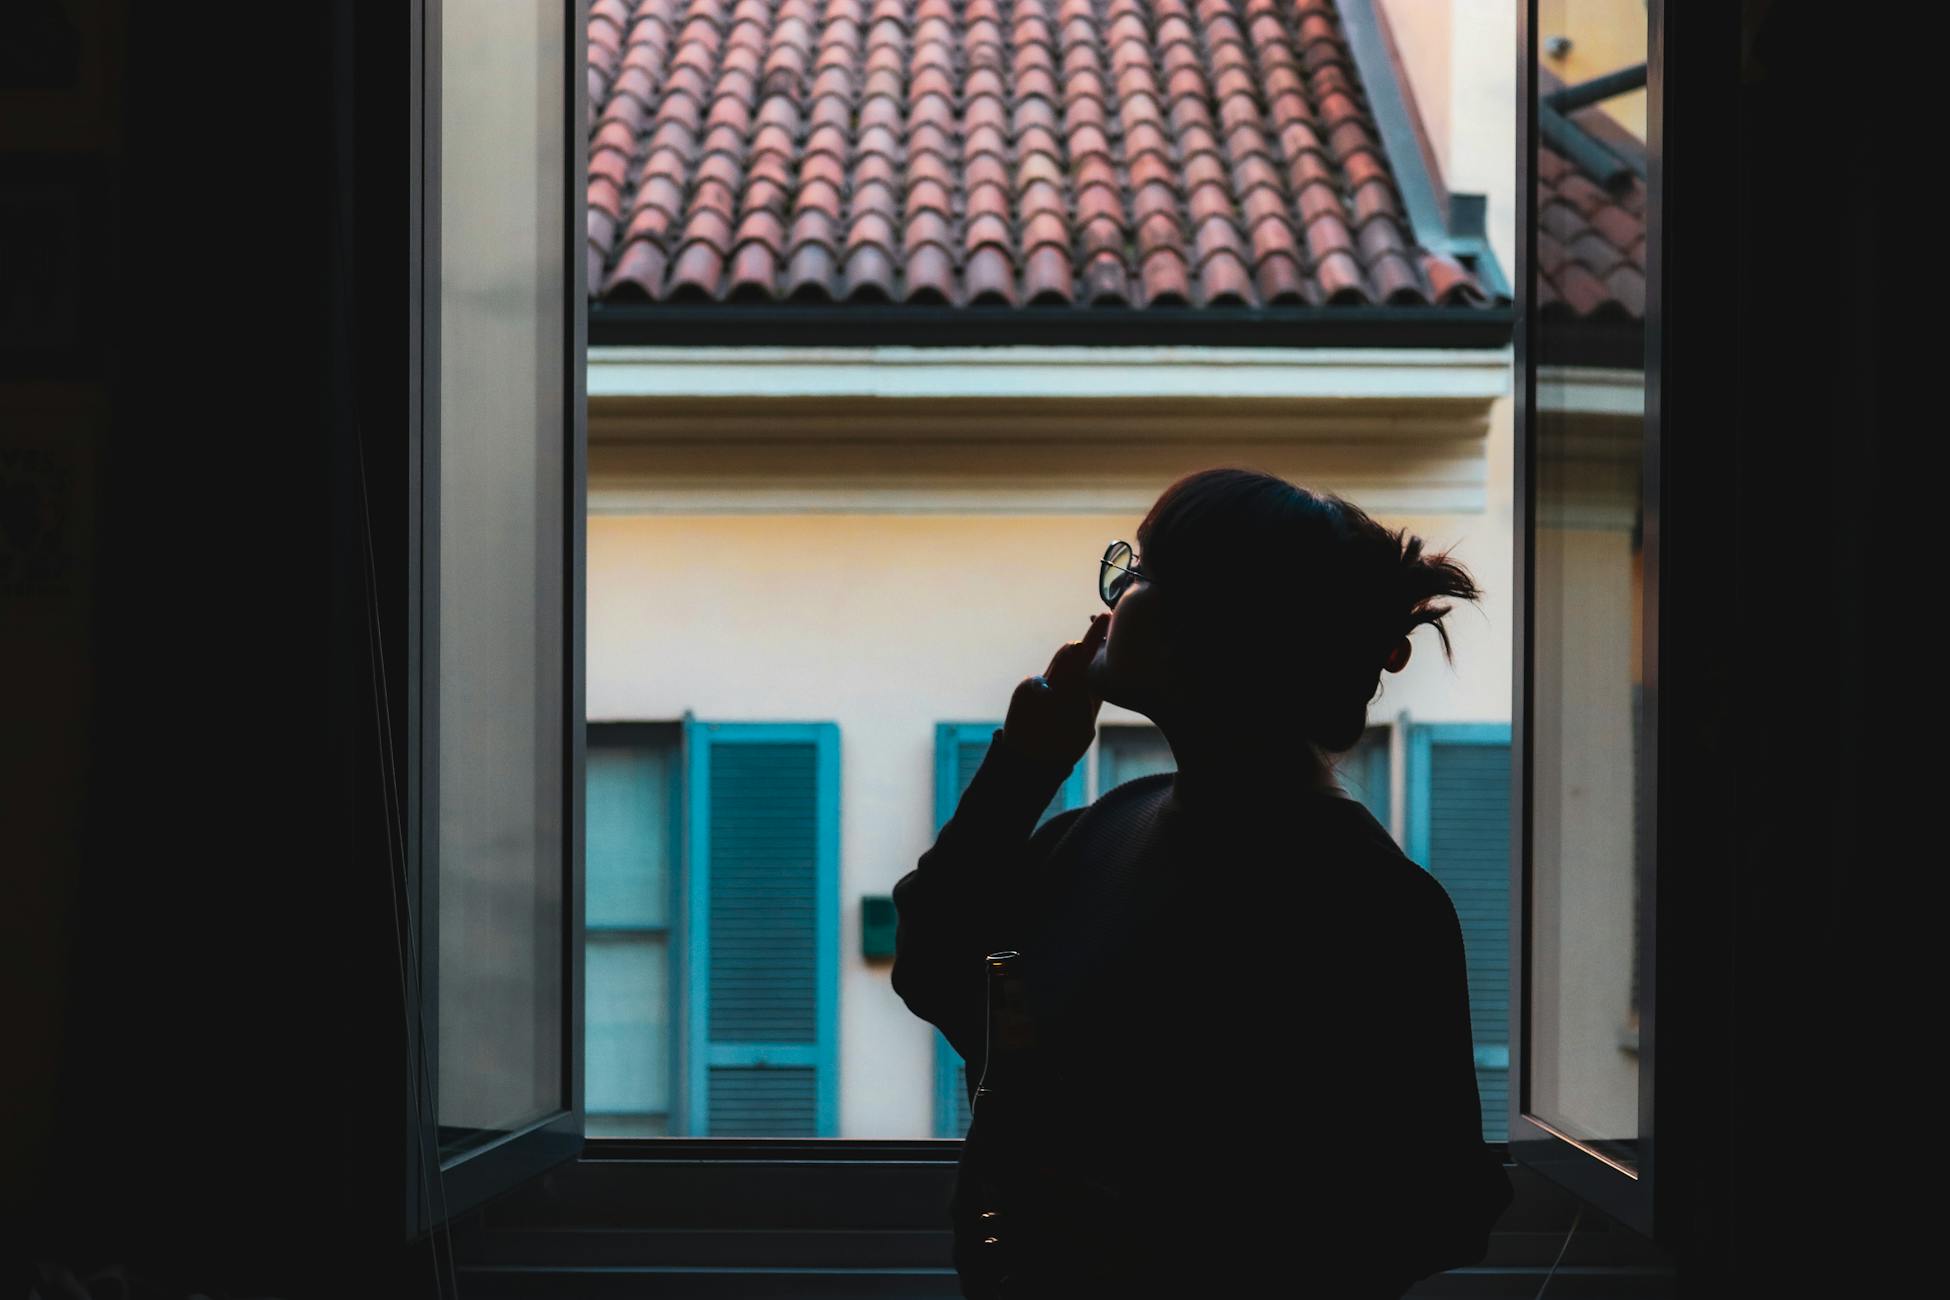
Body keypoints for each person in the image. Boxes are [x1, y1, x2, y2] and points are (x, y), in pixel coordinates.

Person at [890, 467, 1515, 1298]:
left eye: (1142, 570)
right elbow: (932, 963)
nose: (1113, 594)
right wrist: (1029, 758)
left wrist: (1152, 1242)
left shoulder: (1372, 907)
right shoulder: (1102, 827)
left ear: (1220, 630)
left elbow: (1435, 1212)